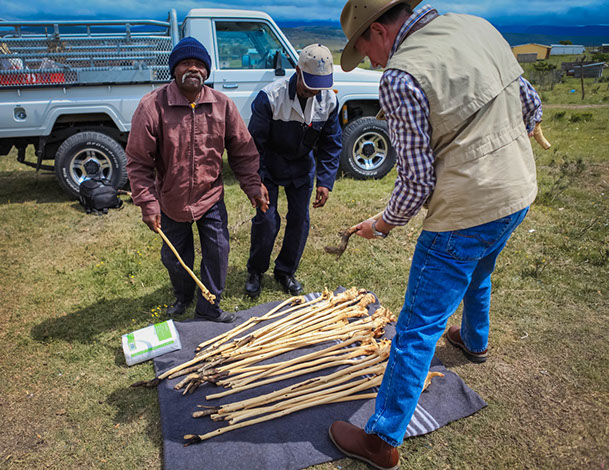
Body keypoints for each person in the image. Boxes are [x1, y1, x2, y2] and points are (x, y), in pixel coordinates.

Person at [328, 1, 543, 468]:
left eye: (365, 50)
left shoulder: (401, 76)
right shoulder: (477, 27)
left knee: (417, 327)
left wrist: (382, 224)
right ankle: (475, 340)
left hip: (465, 210)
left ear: (379, 31)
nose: (373, 62)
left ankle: (382, 439)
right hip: (518, 190)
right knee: (479, 267)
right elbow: (530, 105)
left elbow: (417, 182)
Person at [126, 37, 269, 322]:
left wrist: (252, 184)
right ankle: (184, 296)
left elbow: (242, 150)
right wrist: (148, 203)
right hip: (171, 198)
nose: (193, 69)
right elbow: (139, 161)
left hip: (210, 195)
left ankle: (210, 306)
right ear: (174, 70)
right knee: (175, 257)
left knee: (218, 251)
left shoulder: (222, 105)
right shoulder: (152, 106)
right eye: (186, 63)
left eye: (199, 64)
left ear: (207, 71)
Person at [244, 44, 343, 298]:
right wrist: (257, 180)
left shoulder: (329, 100)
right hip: (269, 165)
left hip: (301, 167)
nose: (314, 92)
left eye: (319, 87)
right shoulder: (270, 97)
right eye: (309, 86)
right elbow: (255, 144)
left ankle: (285, 271)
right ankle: (255, 271)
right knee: (267, 220)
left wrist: (325, 181)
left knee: (300, 220)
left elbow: (332, 143)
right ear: (297, 71)